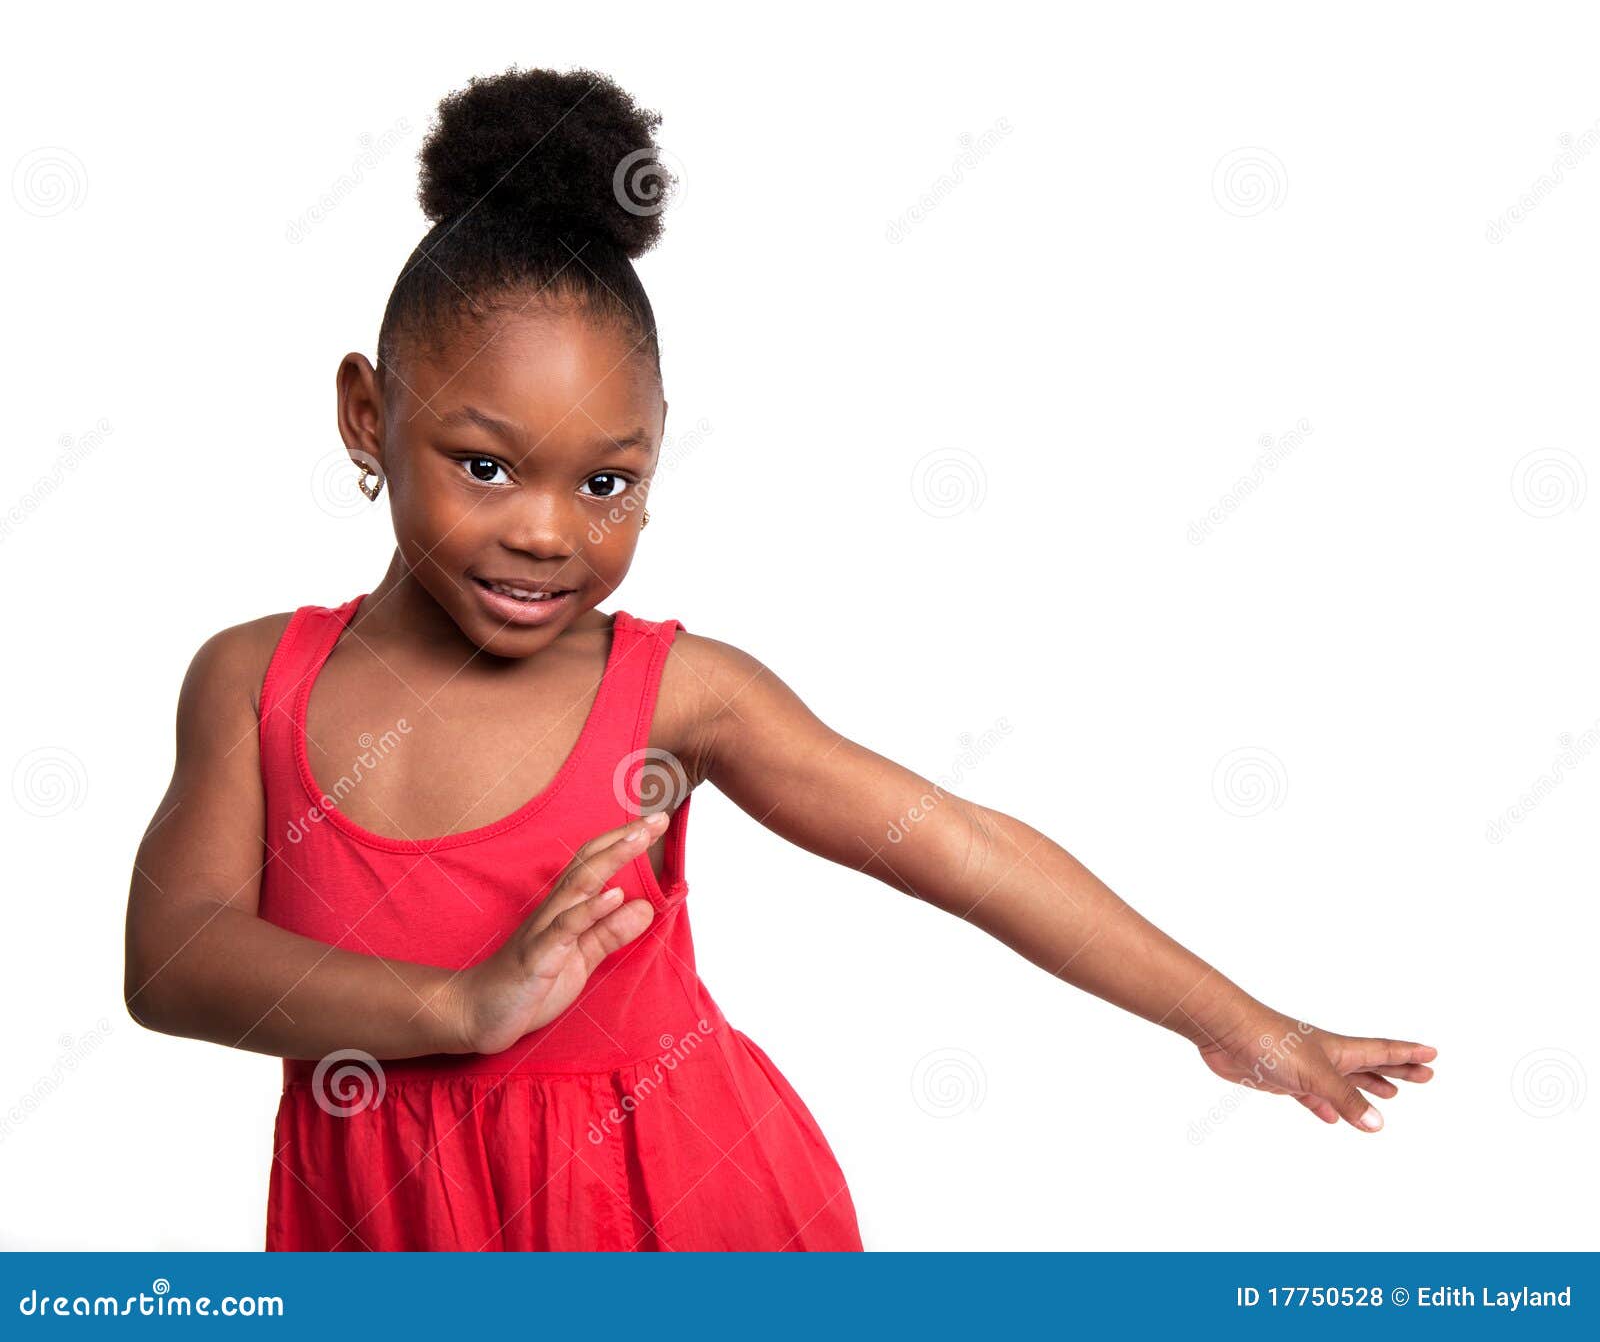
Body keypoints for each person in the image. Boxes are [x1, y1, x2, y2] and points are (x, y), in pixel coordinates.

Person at [123, 65, 1436, 1252]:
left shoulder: (681, 695)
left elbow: (964, 845)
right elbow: (171, 956)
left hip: (678, 1213)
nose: (544, 527)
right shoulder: (256, 683)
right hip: (396, 1230)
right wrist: (461, 1007)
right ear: (367, 413)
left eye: (605, 480)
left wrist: (1245, 1027)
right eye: (483, 462)